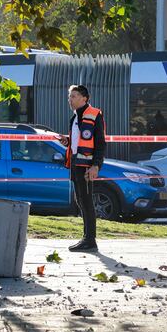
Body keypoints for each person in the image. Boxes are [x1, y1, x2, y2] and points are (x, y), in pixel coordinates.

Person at [58, 84, 106, 252]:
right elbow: (81, 141)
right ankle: (87, 238)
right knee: (80, 200)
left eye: (73, 96)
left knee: (86, 201)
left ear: (84, 98)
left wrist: (96, 166)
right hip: (76, 164)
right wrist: (68, 141)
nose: (69, 99)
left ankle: (90, 240)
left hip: (86, 166)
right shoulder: (76, 116)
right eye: (69, 96)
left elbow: (100, 144)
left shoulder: (94, 114)